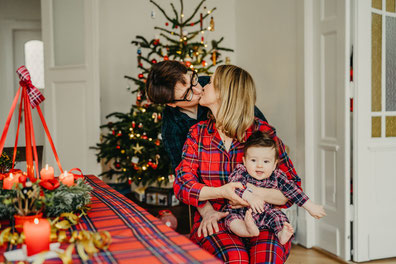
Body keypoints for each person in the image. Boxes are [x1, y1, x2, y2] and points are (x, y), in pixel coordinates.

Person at [174, 64, 303, 263]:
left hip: (263, 218)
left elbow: (293, 189)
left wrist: (252, 193)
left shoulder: (263, 132)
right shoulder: (198, 134)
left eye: (212, 82)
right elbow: (183, 185)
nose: (205, 84)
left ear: (226, 93)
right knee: (236, 260)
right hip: (217, 219)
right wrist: (221, 194)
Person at [145, 60, 267, 172]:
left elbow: (255, 121)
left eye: (192, 79)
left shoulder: (211, 85)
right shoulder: (171, 129)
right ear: (171, 103)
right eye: (187, 94)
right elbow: (183, 175)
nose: (199, 89)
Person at [224, 130, 326, 245]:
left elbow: (292, 190)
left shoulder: (277, 175)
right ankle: (247, 230)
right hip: (241, 214)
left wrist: (309, 205)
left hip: (265, 214)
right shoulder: (241, 171)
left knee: (278, 216)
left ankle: (281, 234)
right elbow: (233, 187)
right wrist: (249, 196)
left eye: (266, 161)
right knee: (230, 220)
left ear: (274, 165)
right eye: (253, 160)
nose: (259, 165)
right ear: (244, 161)